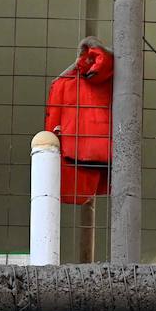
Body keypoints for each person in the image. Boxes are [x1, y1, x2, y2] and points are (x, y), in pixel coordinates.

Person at [45, 36, 114, 205]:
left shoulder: (64, 83)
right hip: (108, 156)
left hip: (74, 155)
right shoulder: (120, 76)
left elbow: (52, 131)